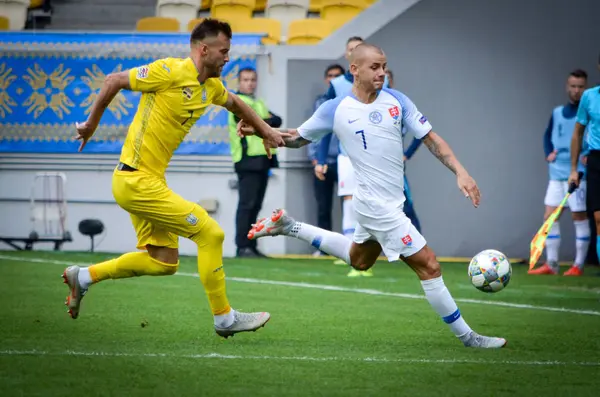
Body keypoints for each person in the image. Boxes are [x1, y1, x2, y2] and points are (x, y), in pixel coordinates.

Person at [242, 43, 506, 348]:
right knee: (430, 266)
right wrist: (261, 129)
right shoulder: (336, 108)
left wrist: (460, 171)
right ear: (355, 70)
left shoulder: (397, 100)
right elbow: (296, 139)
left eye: (384, 66)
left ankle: (290, 227)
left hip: (387, 203)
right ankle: (469, 338)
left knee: (360, 260)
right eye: (375, 67)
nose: (382, 73)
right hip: (377, 206)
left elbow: (431, 139)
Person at [62, 19, 285, 338]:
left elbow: (235, 102)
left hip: (146, 182)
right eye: (224, 51)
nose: (227, 58)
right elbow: (113, 80)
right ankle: (224, 318)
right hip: (135, 180)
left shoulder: (211, 87)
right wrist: (92, 123)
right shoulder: (169, 71)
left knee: (163, 262)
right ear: (204, 49)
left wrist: (266, 131)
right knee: (211, 234)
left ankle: (82, 277)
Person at [316, 36, 390, 276]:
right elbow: (325, 121)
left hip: (375, 155)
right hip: (347, 155)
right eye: (351, 50)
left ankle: (369, 252)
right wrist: (320, 157)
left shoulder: (383, 81)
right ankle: (351, 250)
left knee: (371, 201)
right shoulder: (336, 84)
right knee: (350, 200)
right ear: (349, 57)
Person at [529, 69, 590, 276]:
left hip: (578, 173)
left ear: (586, 88)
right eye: (573, 86)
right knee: (549, 217)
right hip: (556, 173)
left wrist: (587, 155)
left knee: (578, 218)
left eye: (580, 87)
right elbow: (547, 135)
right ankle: (552, 264)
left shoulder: (589, 113)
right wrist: (548, 153)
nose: (576, 90)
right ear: (567, 87)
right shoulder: (557, 112)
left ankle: (578, 265)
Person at [228, 67, 282, 258]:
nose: (249, 83)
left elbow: (277, 119)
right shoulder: (237, 102)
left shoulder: (257, 103)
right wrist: (265, 121)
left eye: (252, 80)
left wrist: (265, 121)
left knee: (256, 205)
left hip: (262, 160)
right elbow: (259, 122)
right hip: (247, 160)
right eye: (245, 80)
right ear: (239, 82)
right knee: (247, 205)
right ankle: (242, 246)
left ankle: (251, 245)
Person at [309, 64, 345, 256]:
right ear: (326, 79)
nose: (333, 79)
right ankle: (323, 248)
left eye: (337, 76)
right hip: (322, 162)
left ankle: (350, 248)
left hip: (344, 161)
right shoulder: (320, 102)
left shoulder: (349, 101)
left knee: (349, 206)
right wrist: (314, 158)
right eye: (330, 76)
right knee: (323, 207)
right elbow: (313, 131)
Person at [569, 56, 600, 267]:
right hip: (597, 160)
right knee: (598, 219)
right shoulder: (590, 97)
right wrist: (573, 169)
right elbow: (578, 132)